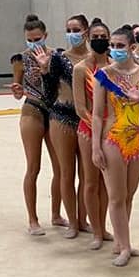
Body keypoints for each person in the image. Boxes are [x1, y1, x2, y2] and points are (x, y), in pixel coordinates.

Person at [92, 25, 139, 267]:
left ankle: (121, 241)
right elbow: (97, 114)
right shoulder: (104, 75)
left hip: (138, 139)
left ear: (132, 47)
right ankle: (124, 246)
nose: (115, 49)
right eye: (113, 46)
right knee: (116, 196)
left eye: (120, 46)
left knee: (129, 194)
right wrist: (95, 147)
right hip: (112, 139)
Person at [9, 14, 64, 235]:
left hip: (54, 111)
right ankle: (33, 220)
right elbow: (17, 90)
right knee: (34, 167)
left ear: (45, 35)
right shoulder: (20, 59)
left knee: (60, 167)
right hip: (32, 110)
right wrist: (17, 91)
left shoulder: (57, 56)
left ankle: (56, 214)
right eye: (30, 40)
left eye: (37, 39)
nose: (34, 43)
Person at [37, 13, 90, 238]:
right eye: (68, 30)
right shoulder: (59, 58)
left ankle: (83, 219)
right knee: (67, 173)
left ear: (86, 31)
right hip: (62, 118)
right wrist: (44, 71)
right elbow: (49, 93)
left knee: (87, 175)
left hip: (87, 119)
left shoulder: (95, 59)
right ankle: (72, 223)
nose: (72, 34)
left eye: (76, 30)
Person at [73, 18, 112, 250]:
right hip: (89, 129)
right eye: (95, 37)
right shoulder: (81, 69)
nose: (99, 40)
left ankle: (103, 226)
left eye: (102, 37)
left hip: (113, 130)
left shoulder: (115, 67)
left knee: (106, 183)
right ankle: (95, 231)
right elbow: (80, 108)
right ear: (88, 39)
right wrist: (98, 129)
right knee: (90, 181)